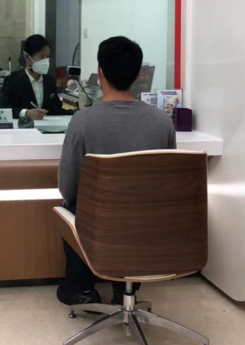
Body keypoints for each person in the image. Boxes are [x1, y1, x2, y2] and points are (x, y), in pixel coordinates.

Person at [57, 36, 176, 307]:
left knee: (72, 206)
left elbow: (67, 187)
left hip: (100, 226)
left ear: (99, 74)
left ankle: (81, 289)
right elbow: (167, 184)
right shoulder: (162, 122)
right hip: (149, 226)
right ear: (138, 75)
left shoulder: (82, 122)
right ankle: (124, 288)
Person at [0, 34, 68, 120]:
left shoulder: (50, 81)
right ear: (27, 58)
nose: (45, 61)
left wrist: (77, 112)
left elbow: (56, 109)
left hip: (47, 126)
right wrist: (26, 113)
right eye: (42, 57)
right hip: (23, 126)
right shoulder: (12, 80)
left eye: (47, 57)